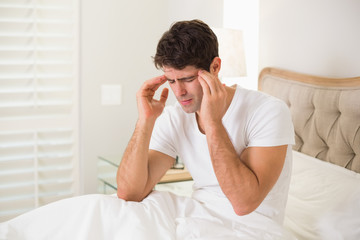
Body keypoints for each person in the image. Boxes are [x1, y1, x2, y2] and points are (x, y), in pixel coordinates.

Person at [116, 19, 294, 225]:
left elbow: (244, 204)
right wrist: (144, 121)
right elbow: (129, 193)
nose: (179, 92)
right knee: (107, 212)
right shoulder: (176, 117)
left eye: (188, 79)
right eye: (171, 81)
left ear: (215, 67)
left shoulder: (268, 111)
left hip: (251, 227)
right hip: (197, 217)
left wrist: (213, 123)